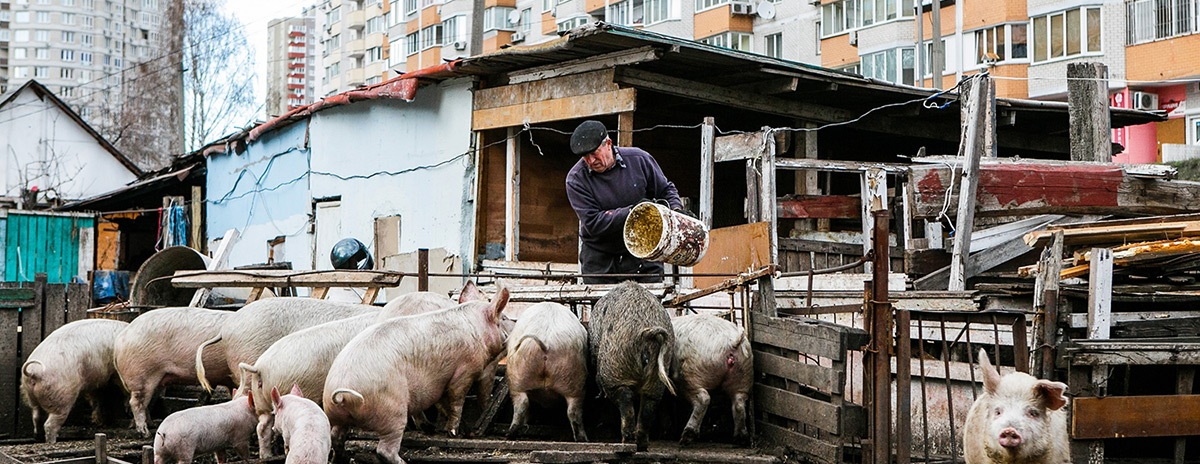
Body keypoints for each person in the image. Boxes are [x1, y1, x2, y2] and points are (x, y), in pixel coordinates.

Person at [565, 120, 683, 284]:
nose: (591, 161)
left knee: (649, 306)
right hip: (601, 259)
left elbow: (665, 190)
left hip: (644, 252)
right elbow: (593, 222)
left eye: (594, 153)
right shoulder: (576, 180)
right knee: (604, 308)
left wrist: (677, 211)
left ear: (608, 143)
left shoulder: (639, 159)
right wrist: (633, 212)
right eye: (585, 157)